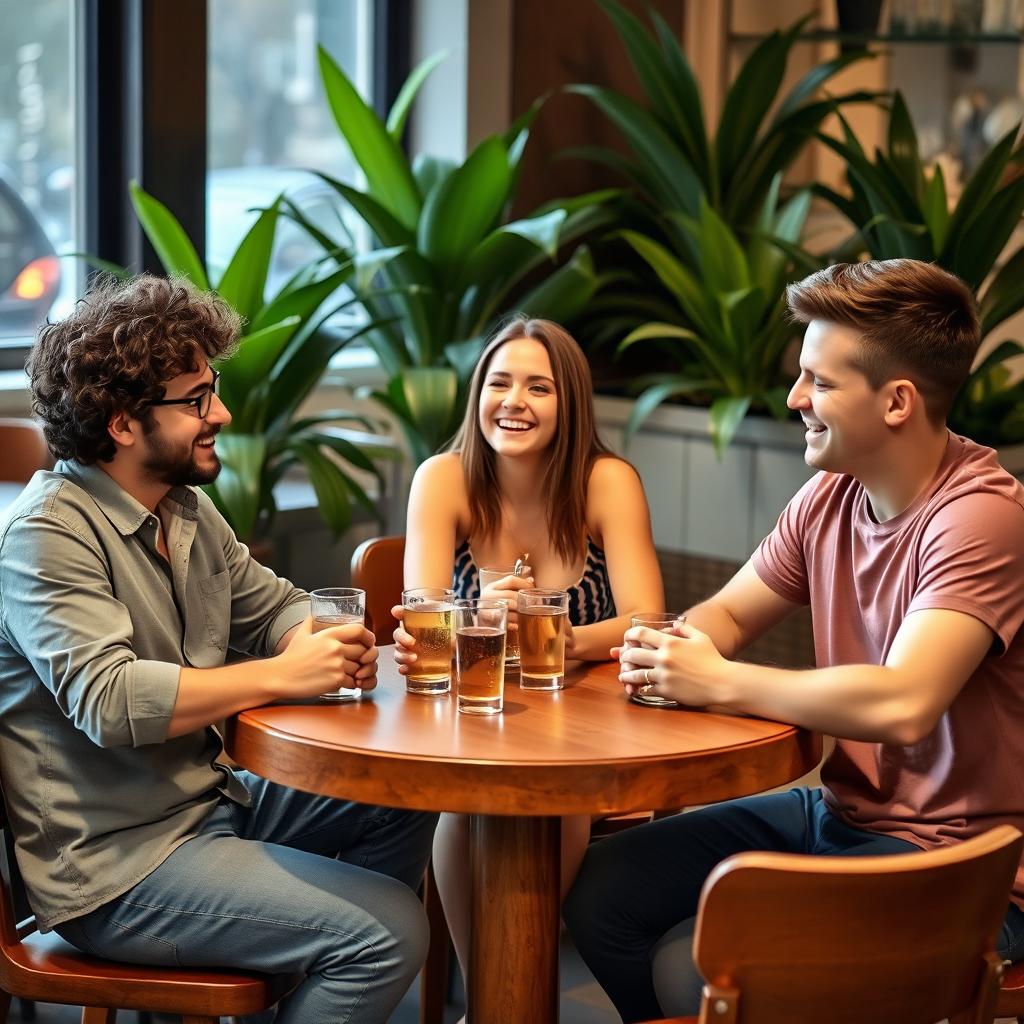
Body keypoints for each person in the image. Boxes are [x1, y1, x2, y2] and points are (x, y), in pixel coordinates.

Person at [563, 259, 1024, 1022]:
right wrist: (675, 650)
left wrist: (719, 682)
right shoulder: (829, 495)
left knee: (698, 966)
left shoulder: (981, 520)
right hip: (842, 816)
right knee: (601, 892)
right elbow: (730, 616)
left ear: (898, 402)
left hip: (961, 866)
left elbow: (905, 702)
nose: (794, 398)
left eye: (820, 380)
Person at [0, 274, 437, 1023]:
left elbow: (279, 608)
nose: (221, 414)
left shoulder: (185, 510)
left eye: (214, 390)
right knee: (385, 934)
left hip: (211, 807)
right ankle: (332, 963)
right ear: (120, 421)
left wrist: (322, 642)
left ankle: (310, 984)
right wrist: (283, 672)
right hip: (117, 868)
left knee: (404, 795)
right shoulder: (46, 534)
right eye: (195, 400)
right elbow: (109, 702)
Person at [391, 316, 664, 999]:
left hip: (586, 721)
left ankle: (504, 1000)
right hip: (471, 710)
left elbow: (648, 618)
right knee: (465, 799)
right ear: (477, 392)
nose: (514, 401)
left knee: (557, 797)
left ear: (568, 404)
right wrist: (478, 607)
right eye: (499, 382)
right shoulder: (443, 478)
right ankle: (495, 1000)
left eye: (538, 387)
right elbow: (423, 622)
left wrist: (563, 637)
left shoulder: (607, 481)